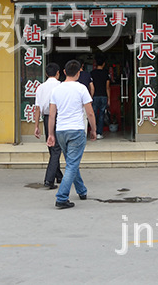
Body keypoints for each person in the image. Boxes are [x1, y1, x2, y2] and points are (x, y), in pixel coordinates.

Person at [47, 59, 97, 209]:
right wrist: (94, 130)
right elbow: (90, 112)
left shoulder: (56, 90)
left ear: (64, 72)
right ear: (79, 72)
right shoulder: (82, 89)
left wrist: (50, 134)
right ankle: (61, 198)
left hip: (61, 131)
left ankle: (81, 191)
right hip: (76, 130)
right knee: (72, 164)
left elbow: (52, 115)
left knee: (71, 162)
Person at [34, 63, 63, 189]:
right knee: (56, 149)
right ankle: (49, 180)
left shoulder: (40, 87)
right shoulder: (61, 86)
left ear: (46, 74)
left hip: (46, 118)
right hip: (58, 117)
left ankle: (59, 175)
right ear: (58, 73)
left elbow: (37, 108)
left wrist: (36, 126)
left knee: (52, 147)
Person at [90, 53, 111, 139]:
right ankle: (99, 133)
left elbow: (91, 87)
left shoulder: (92, 73)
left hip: (95, 96)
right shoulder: (106, 73)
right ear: (104, 64)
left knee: (93, 114)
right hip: (103, 96)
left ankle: (93, 132)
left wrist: (91, 97)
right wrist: (109, 98)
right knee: (101, 115)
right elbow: (107, 87)